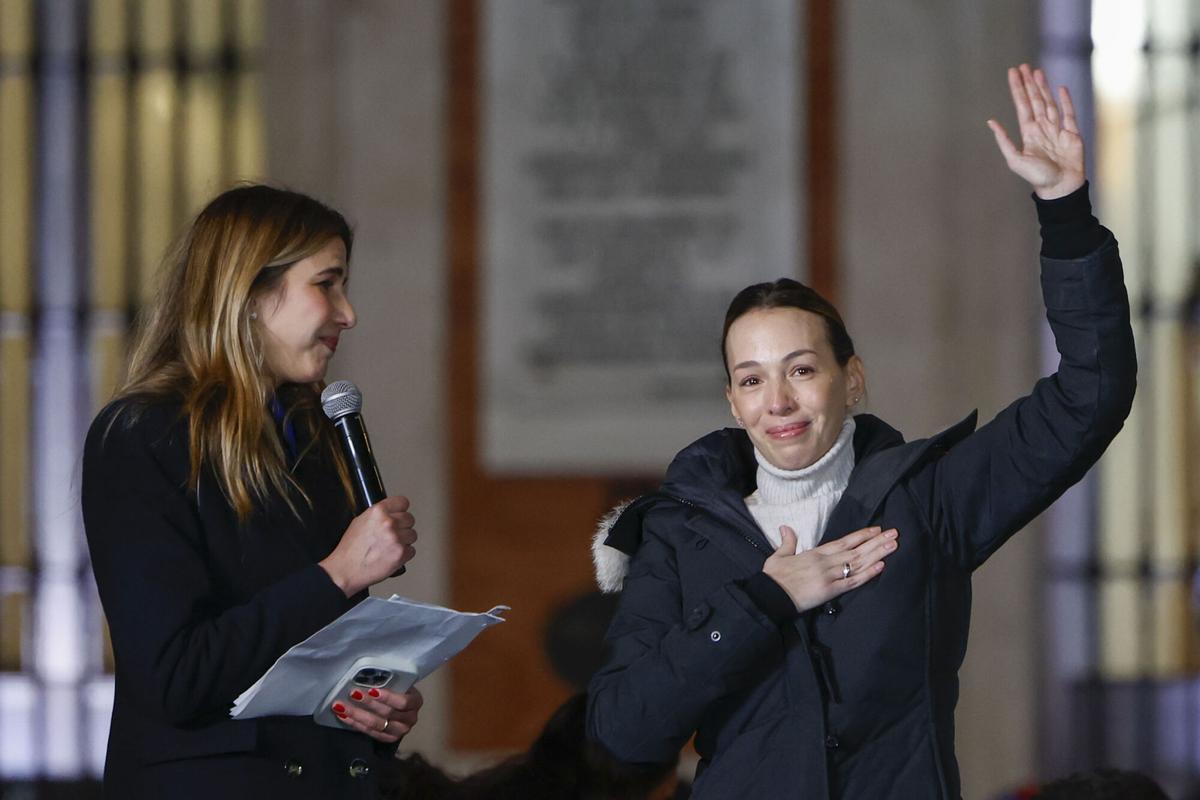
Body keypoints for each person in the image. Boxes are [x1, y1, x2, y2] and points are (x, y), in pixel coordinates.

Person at [586, 65, 1137, 799]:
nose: (777, 400)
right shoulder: (677, 532)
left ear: (852, 379)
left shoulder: (927, 498)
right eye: (752, 379)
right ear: (732, 401)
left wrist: (1063, 207)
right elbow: (622, 729)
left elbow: (1089, 395)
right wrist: (762, 601)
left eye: (802, 370)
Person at [82, 185, 422, 799]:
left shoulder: (313, 433)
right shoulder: (142, 436)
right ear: (251, 293)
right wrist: (338, 573)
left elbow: (316, 653)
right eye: (327, 284)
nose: (348, 314)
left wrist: (372, 705)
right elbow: (175, 677)